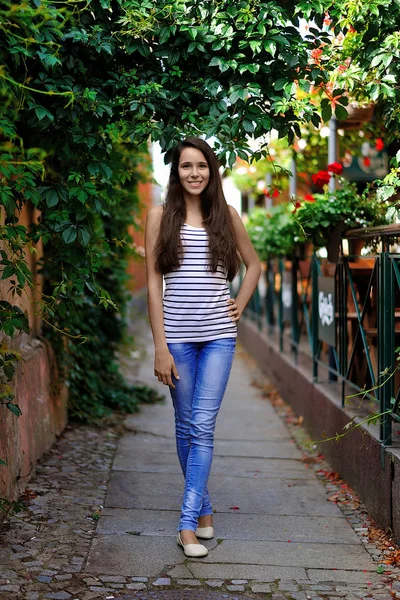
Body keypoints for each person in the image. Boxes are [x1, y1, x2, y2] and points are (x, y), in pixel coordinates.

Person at [145, 137, 261, 558]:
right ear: (175, 172)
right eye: (186, 166)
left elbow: (255, 264)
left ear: (212, 172)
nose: (195, 173)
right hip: (176, 338)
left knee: (202, 427)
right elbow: (153, 285)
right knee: (185, 426)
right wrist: (160, 346)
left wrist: (239, 306)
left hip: (218, 338)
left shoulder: (226, 216)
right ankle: (206, 510)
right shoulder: (158, 216)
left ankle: (187, 525)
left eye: (202, 167)